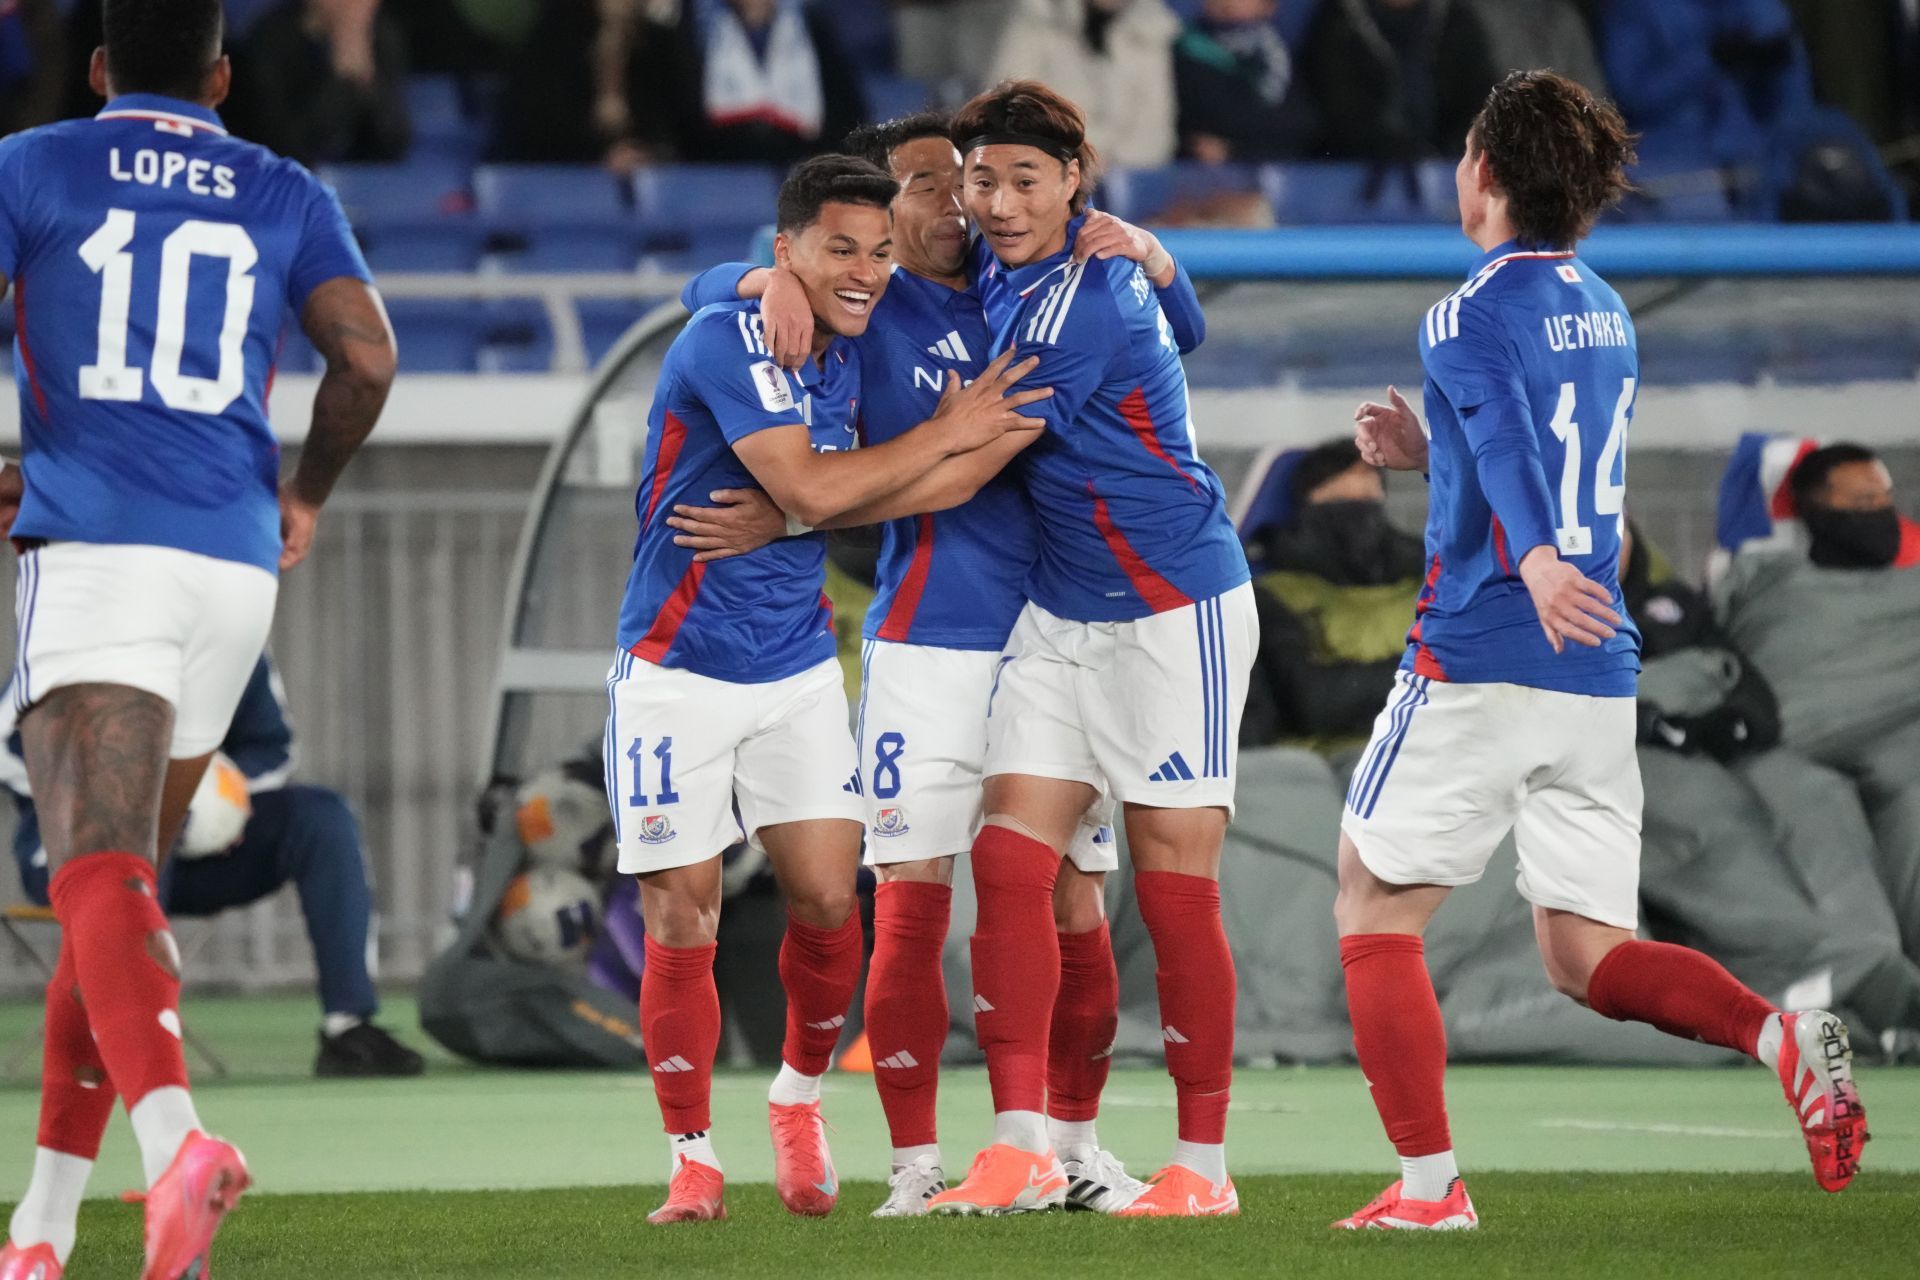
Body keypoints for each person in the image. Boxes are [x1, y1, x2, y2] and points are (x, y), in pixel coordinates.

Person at [1333, 70, 1866, 1232]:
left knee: (1372, 906)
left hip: (1481, 653)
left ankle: (1429, 1191)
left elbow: (1522, 456)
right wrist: (1432, 453)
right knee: (1586, 954)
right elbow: (1543, 452)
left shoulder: (1464, 308)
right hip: (1595, 672)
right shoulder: (1609, 307)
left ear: (1486, 171)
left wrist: (1524, 559)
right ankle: (1777, 1031)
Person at [669, 111, 1210, 1216]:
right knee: (912, 899)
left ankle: (1073, 1144)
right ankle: (917, 1161)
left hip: (1060, 634)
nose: (955, 204)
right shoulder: (864, 308)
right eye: (923, 184)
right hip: (927, 639)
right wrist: (743, 279)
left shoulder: (1027, 286)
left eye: (959, 181)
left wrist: (1157, 252)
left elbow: (1170, 329)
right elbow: (721, 295)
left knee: (1074, 898)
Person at [0, 1, 396, 1274]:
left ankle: (177, 1143)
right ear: (222, 76)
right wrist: (306, 495)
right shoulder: (283, 186)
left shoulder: (34, 162)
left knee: (94, 871)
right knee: (115, 885)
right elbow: (367, 361)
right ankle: (43, 1230)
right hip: (232, 564)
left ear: (102, 67)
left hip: (101, 551)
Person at [605, 152, 1048, 1226]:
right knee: (682, 915)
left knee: (824, 901)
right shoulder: (731, 334)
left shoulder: (853, 344)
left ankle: (798, 1092)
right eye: (841, 250)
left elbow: (864, 492)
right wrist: (931, 432)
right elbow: (816, 475)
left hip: (798, 664)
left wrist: (811, 508)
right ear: (787, 251)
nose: (866, 273)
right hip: (674, 670)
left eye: (879, 252)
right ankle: (692, 1157)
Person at [913, 80, 1254, 1218]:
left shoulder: (1082, 300)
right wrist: (1165, 261)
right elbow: (1193, 329)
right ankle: (1022, 1147)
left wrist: (795, 505)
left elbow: (967, 464)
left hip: (1174, 611)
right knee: (1010, 861)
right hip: (1064, 607)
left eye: (1024, 179)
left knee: (1171, 889)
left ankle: (1202, 1168)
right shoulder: (1033, 268)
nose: (998, 202)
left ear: (1074, 181)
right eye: (982, 179)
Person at [1, 656, 427, 1081]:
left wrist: (219, 799)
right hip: (76, 852)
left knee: (322, 817)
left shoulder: (230, 633)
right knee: (140, 828)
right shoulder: (78, 640)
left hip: (201, 853)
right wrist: (111, 798)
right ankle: (128, 1036)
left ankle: (348, 1027)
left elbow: (272, 748)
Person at [1240, 438, 1427, 747]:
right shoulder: (1272, 596)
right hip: (1334, 759)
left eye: (1370, 492)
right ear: (1308, 502)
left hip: (1436, 748)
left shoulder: (1429, 581)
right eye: (1342, 496)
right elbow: (1316, 702)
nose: (1361, 507)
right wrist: (1429, 672)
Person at [627, 0, 867, 166]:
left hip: (799, 170)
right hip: (711, 173)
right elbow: (667, 104)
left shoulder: (811, 26)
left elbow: (846, 112)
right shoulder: (687, 25)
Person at [985, 0, 1182, 168]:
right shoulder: (1036, 20)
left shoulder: (1150, 31)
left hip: (1123, 178)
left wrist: (1110, 163)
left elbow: (1155, 129)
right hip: (1043, 171)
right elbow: (1007, 107)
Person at [1301, 0, 1498, 162]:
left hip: (1450, 170)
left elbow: (1481, 101)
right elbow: (1339, 113)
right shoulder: (1337, 23)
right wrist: (1389, 147)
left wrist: (1458, 149)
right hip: (1356, 173)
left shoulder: (1456, 19)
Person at [227, 0, 411, 166]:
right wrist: (342, 79)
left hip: (368, 189)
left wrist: (366, 79)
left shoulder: (381, 37)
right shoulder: (271, 39)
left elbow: (393, 143)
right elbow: (286, 147)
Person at [1173, 0, 1318, 163]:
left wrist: (1237, 151)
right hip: (1195, 169)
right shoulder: (1182, 51)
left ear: (1269, 6)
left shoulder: (1275, 56)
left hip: (1268, 164)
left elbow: (1299, 127)